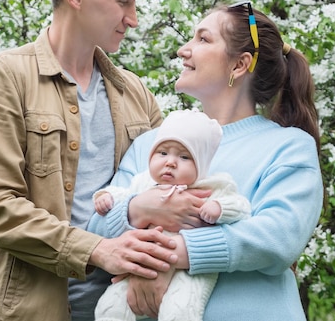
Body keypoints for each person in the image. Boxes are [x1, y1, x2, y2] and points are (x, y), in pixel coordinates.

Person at [0, 0, 186, 321]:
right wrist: (98, 249)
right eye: (124, 2)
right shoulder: (0, 79)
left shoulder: (137, 94)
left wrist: (158, 264)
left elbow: (170, 190)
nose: (133, 18)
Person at [87, 1, 324, 320]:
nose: (184, 49)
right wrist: (139, 208)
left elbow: (278, 237)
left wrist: (167, 258)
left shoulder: (288, 146)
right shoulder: (151, 144)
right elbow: (96, 228)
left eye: (202, 39)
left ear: (240, 65)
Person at [93, 110, 251, 321]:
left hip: (192, 270)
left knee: (181, 310)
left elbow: (241, 207)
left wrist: (218, 208)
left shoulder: (212, 186)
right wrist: (105, 196)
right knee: (110, 307)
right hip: (141, 266)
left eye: (184, 157)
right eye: (163, 153)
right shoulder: (143, 183)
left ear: (201, 165)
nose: (170, 162)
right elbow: (121, 195)